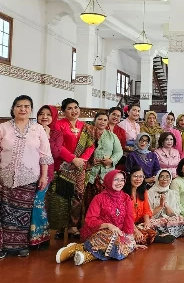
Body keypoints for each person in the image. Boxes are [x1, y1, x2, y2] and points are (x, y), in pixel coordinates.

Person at [0, 96, 52, 259]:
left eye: (27, 106)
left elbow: (45, 155)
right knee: (4, 212)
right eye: (19, 106)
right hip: (5, 177)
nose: (23, 109)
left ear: (31, 110)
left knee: (24, 212)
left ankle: (21, 247)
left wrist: (44, 176)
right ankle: (3, 246)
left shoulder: (38, 129)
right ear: (13, 108)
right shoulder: (3, 128)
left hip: (29, 178)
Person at [55, 170, 138, 266]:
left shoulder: (126, 198)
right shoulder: (99, 198)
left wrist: (129, 238)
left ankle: (87, 255)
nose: (119, 183)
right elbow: (90, 220)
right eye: (116, 180)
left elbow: (129, 219)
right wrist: (108, 225)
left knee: (128, 243)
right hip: (99, 231)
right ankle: (78, 248)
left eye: (122, 180)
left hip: (118, 233)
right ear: (109, 180)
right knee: (113, 239)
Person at [55, 98, 95, 238]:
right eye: (70, 108)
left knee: (77, 196)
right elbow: (57, 146)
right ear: (63, 111)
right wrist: (73, 159)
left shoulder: (85, 126)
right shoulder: (58, 125)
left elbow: (91, 145)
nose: (74, 111)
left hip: (80, 167)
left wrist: (82, 160)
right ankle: (61, 227)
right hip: (64, 166)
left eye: (76, 107)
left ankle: (73, 226)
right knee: (63, 196)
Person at [30, 105, 62, 249]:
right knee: (28, 204)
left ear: (53, 116)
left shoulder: (57, 133)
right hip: (29, 171)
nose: (44, 117)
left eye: (48, 114)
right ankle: (28, 237)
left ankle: (41, 238)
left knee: (37, 202)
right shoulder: (31, 130)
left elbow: (55, 154)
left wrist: (47, 136)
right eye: (41, 114)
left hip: (46, 173)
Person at [83, 112, 123, 215]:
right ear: (95, 120)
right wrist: (90, 160)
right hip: (90, 172)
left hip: (106, 173)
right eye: (100, 119)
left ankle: (104, 222)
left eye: (105, 120)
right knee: (89, 200)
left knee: (105, 200)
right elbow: (81, 150)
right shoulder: (87, 134)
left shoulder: (112, 136)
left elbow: (119, 152)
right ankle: (90, 223)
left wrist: (111, 160)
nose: (102, 122)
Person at [124, 167, 174, 245]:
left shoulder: (143, 191)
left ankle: (153, 235)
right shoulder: (124, 194)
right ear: (129, 177)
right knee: (133, 236)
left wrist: (147, 221)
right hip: (128, 224)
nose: (138, 179)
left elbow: (146, 210)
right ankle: (155, 237)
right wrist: (136, 230)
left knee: (158, 222)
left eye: (141, 176)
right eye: (135, 176)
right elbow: (126, 216)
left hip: (139, 223)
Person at [147, 169, 184, 238]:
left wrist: (166, 206)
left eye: (167, 177)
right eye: (161, 176)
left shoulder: (173, 193)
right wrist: (161, 206)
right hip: (156, 220)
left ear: (170, 179)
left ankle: (163, 235)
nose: (164, 179)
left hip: (169, 220)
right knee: (151, 224)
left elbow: (174, 214)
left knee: (179, 218)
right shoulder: (150, 193)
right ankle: (169, 234)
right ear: (157, 178)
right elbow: (149, 213)